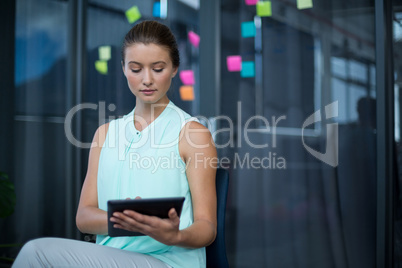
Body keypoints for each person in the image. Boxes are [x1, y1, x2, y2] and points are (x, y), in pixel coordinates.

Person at [12, 20, 217, 268]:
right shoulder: (105, 134)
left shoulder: (193, 134)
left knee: (36, 253)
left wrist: (176, 235)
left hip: (167, 261)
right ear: (123, 68)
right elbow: (84, 217)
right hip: (109, 258)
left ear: (174, 68)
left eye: (158, 68)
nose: (147, 79)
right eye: (136, 68)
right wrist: (128, 221)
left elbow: (207, 228)